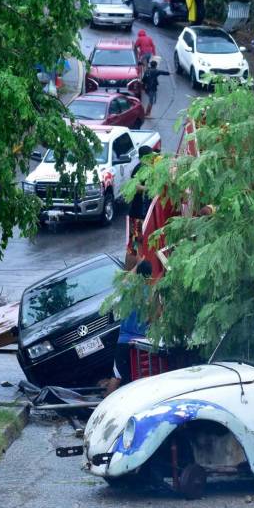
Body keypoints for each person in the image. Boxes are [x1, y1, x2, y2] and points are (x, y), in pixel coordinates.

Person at [106, 259, 153, 395]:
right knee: (138, 378)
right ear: (149, 276)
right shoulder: (150, 294)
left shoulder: (127, 288)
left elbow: (125, 279)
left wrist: (138, 264)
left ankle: (105, 405)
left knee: (117, 376)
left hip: (124, 341)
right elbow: (151, 318)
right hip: (141, 344)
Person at [125, 145, 157, 268]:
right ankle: (131, 271)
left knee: (139, 243)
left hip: (141, 213)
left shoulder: (147, 168)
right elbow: (136, 186)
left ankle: (134, 270)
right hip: (137, 214)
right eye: (151, 156)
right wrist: (150, 189)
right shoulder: (140, 169)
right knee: (135, 245)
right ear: (147, 156)